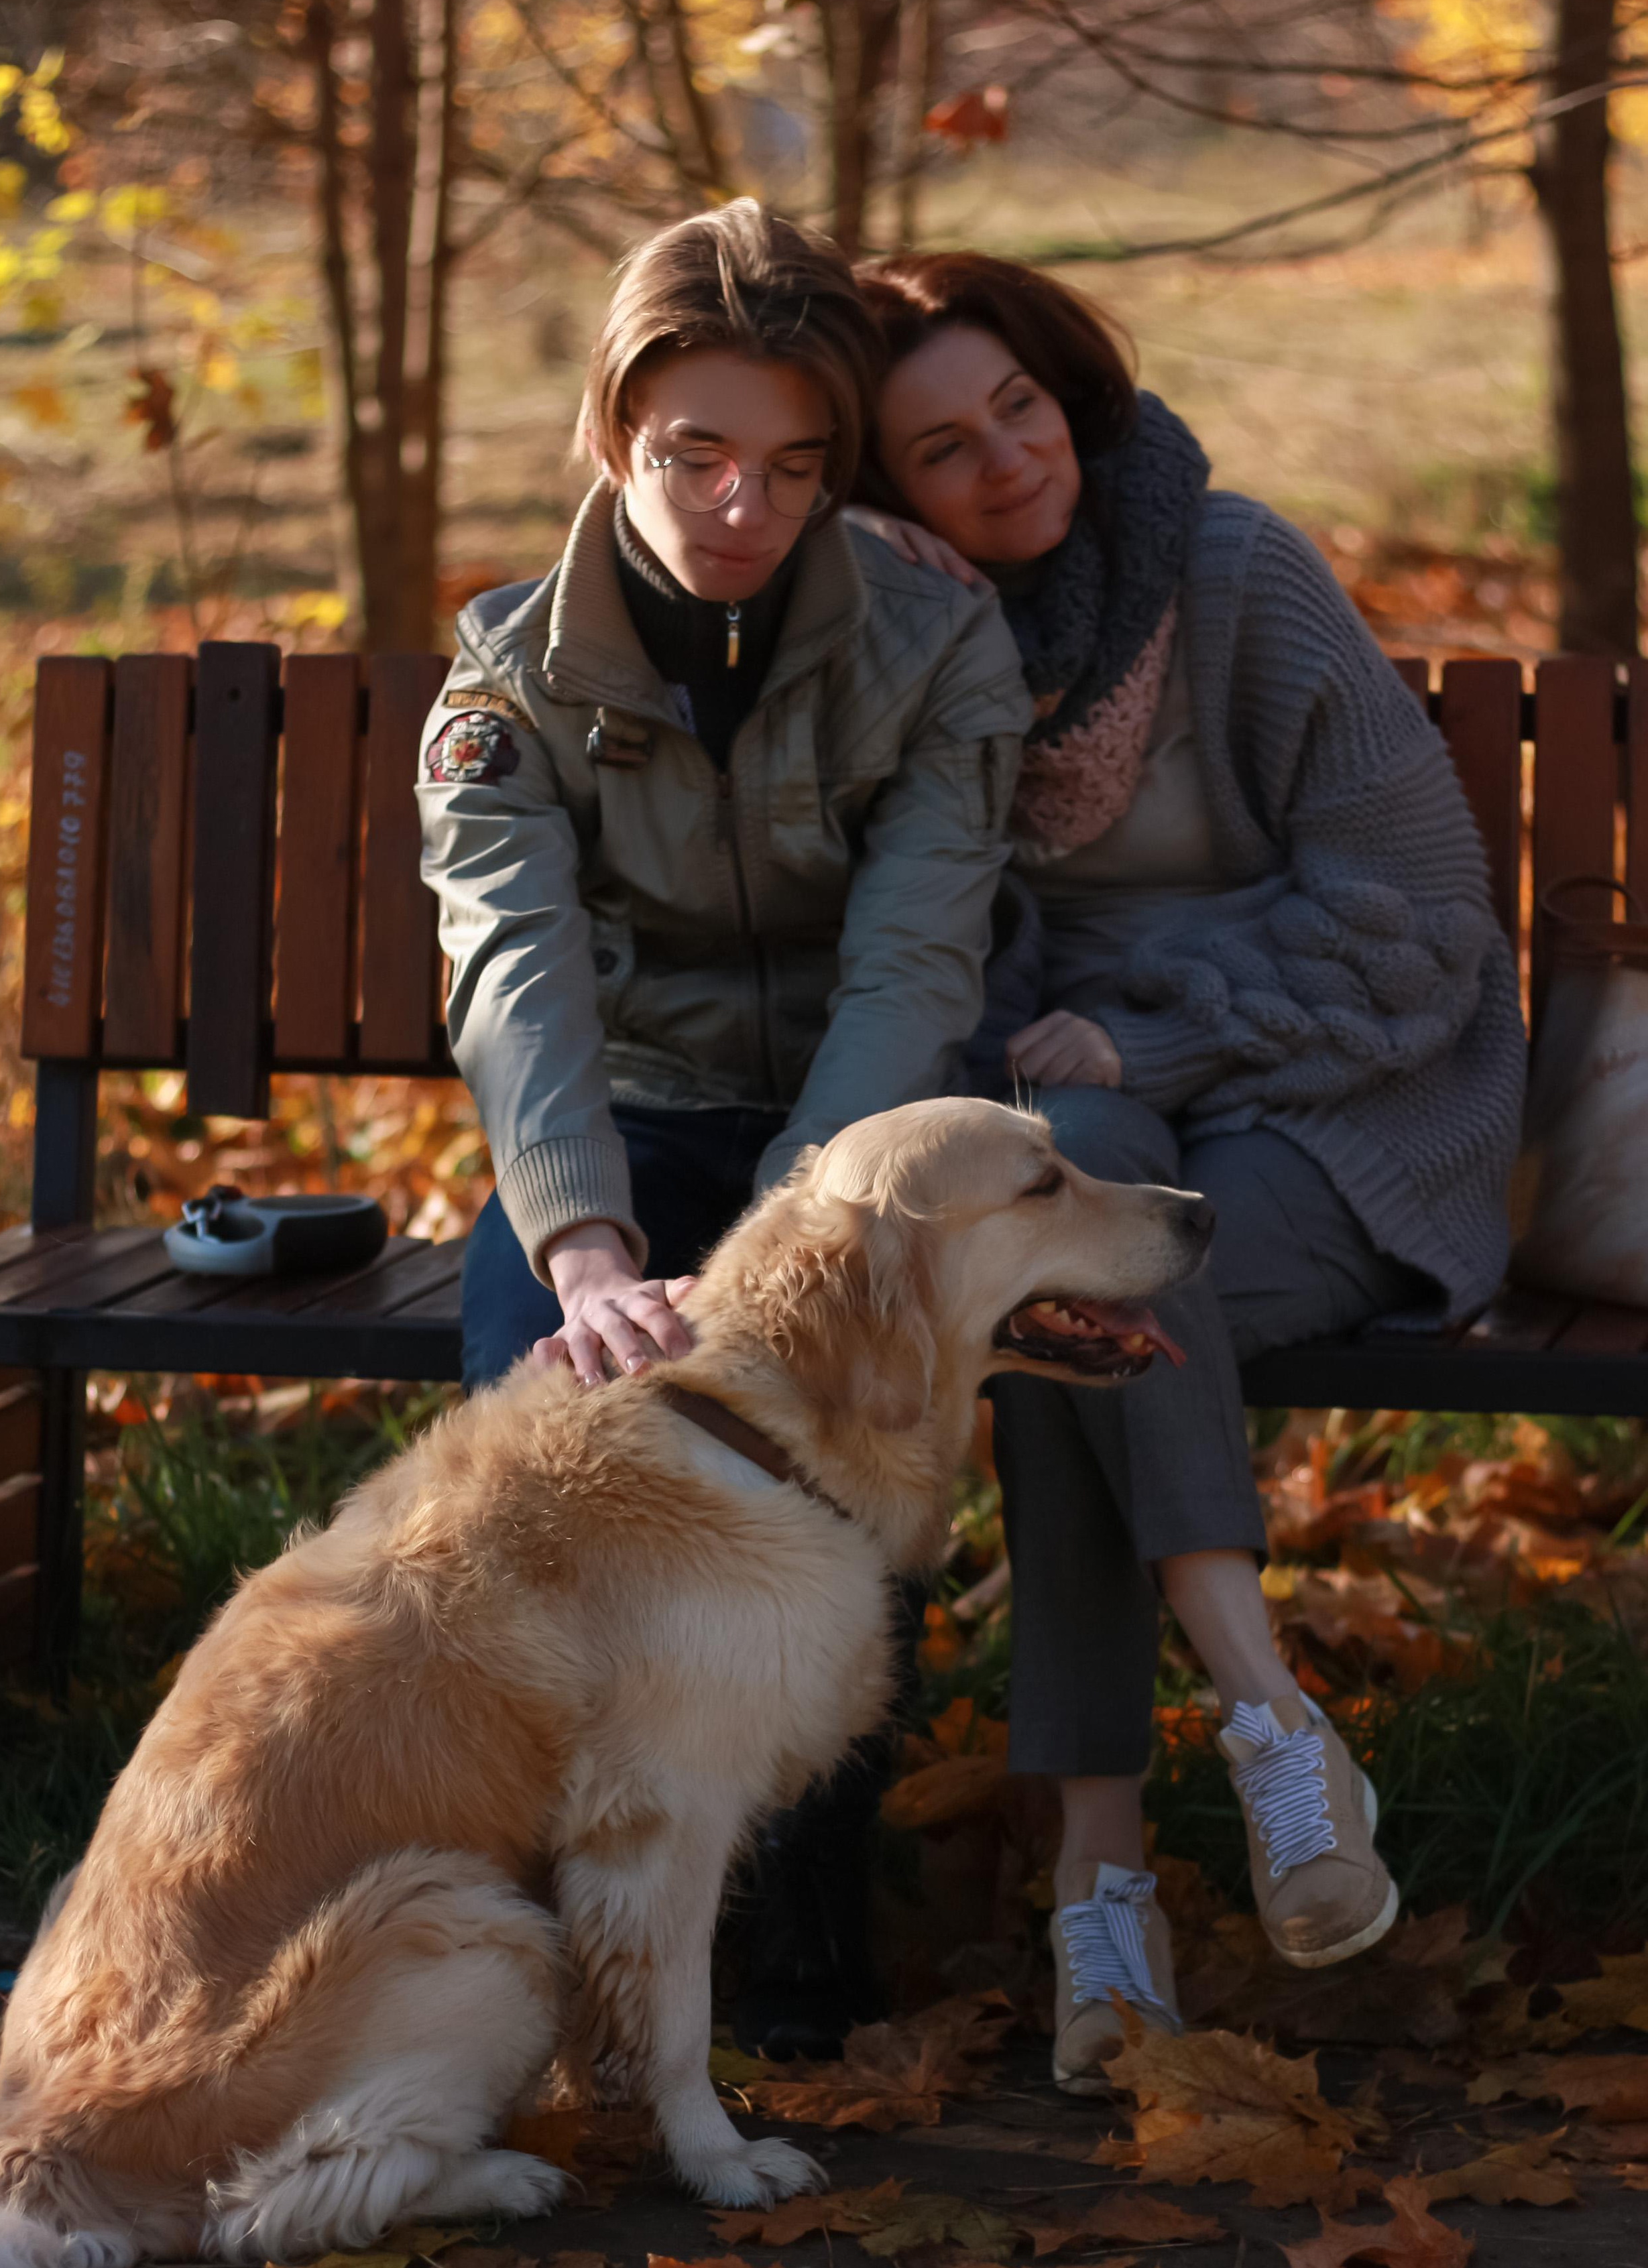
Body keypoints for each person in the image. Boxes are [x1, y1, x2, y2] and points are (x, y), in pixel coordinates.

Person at [849, 251, 1526, 2092]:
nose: (1007, 460)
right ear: (889, 499)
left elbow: (1416, 920)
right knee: (1069, 1262)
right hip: (1097, 1124)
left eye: (1018, 408)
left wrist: (1154, 1025)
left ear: (1066, 392)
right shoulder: (923, 650)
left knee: (1076, 1311)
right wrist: (924, 667)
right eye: (942, 450)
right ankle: (1275, 1736)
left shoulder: (1237, 574)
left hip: (1348, 1106)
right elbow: (943, 971)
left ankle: (1110, 1876)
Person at [417, 200, 1032, 2061]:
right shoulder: (509, 676)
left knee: (840, 1421)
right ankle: (515, 1930)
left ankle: (801, 1946)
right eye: (696, 452)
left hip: (852, 1143)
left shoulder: (939, 647)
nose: (742, 504)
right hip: (626, 1132)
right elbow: (514, 970)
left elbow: (913, 966)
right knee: (539, 1423)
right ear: (615, 430)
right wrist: (585, 1246)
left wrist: (784, 1252)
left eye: (793, 463)